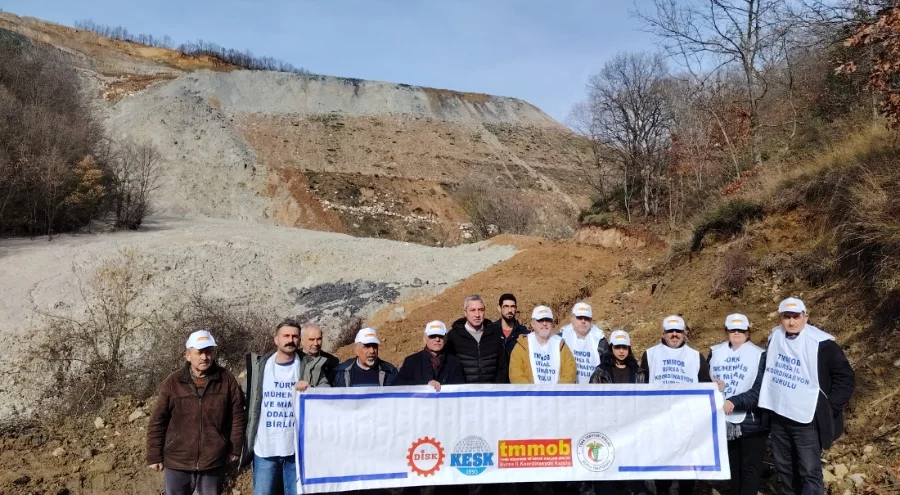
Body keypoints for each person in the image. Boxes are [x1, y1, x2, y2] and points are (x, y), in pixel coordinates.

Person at [759, 298, 855, 495]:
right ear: (780, 318)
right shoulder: (775, 337)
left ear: (806, 317)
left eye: (796, 317)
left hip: (807, 420)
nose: (791, 322)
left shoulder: (823, 344)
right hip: (779, 416)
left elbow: (845, 378)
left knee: (809, 471)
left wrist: (829, 407)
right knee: (785, 468)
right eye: (787, 317)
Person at [147, 330, 245, 495]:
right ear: (188, 355)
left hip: (213, 459)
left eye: (209, 352)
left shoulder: (226, 379)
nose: (204, 357)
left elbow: (237, 417)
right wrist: (154, 456)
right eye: (199, 352)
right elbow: (158, 421)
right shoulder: (173, 382)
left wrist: (234, 449)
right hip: (178, 459)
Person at [242, 320, 331, 495]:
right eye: (286, 336)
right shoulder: (260, 366)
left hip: (296, 451)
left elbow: (327, 392)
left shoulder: (309, 366)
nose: (290, 340)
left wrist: (311, 389)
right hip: (265, 449)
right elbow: (244, 395)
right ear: (276, 339)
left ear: (299, 340)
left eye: (295, 336)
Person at [639, 315, 712, 495]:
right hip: (660, 419)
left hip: (687, 421)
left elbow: (705, 384)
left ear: (684, 333)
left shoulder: (695, 356)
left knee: (687, 468)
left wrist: (715, 387)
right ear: (663, 333)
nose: (674, 334)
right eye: (670, 331)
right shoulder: (650, 354)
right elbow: (642, 384)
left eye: (678, 331)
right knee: (663, 467)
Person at [707, 314, 767, 495]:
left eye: (741, 330)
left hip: (751, 422)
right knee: (732, 467)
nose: (737, 333)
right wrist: (711, 385)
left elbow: (760, 389)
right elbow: (704, 378)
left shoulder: (759, 354)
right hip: (723, 420)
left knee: (749, 469)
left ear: (748, 332)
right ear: (726, 331)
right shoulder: (715, 352)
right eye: (732, 330)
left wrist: (735, 401)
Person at [508, 306, 577, 384]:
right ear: (532, 323)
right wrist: (530, 390)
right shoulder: (522, 345)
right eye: (540, 320)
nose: (544, 324)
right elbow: (516, 373)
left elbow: (570, 371)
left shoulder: (560, 345)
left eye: (548, 320)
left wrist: (559, 390)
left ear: (552, 323)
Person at [446, 295, 505, 383]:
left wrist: (496, 388)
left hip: (491, 390)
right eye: (472, 310)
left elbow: (502, 367)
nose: (477, 315)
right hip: (464, 390)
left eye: (481, 310)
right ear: (465, 312)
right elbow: (447, 367)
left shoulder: (495, 334)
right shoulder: (453, 336)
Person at [395, 320, 466, 389]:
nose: (437, 339)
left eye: (441, 336)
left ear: (445, 339)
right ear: (425, 339)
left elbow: (460, 388)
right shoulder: (411, 361)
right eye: (432, 336)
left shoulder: (454, 363)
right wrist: (426, 384)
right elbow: (398, 384)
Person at [559, 302, 610, 384]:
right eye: (579, 318)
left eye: (586, 318)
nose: (583, 321)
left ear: (591, 320)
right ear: (572, 318)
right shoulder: (561, 338)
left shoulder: (600, 340)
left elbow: (607, 368)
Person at [332, 327, 398, 387]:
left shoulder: (390, 372)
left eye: (374, 346)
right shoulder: (340, 373)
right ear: (357, 350)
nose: (372, 351)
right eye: (367, 346)